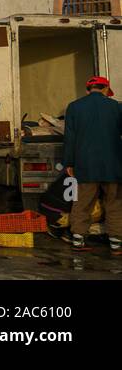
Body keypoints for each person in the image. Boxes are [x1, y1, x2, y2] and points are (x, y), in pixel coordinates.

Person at [62, 76, 122, 254]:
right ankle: (116, 244)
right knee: (115, 203)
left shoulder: (74, 107)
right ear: (105, 89)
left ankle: (78, 240)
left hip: (86, 164)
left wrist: (69, 162)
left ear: (88, 90)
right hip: (114, 165)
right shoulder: (117, 107)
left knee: (82, 203)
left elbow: (70, 138)